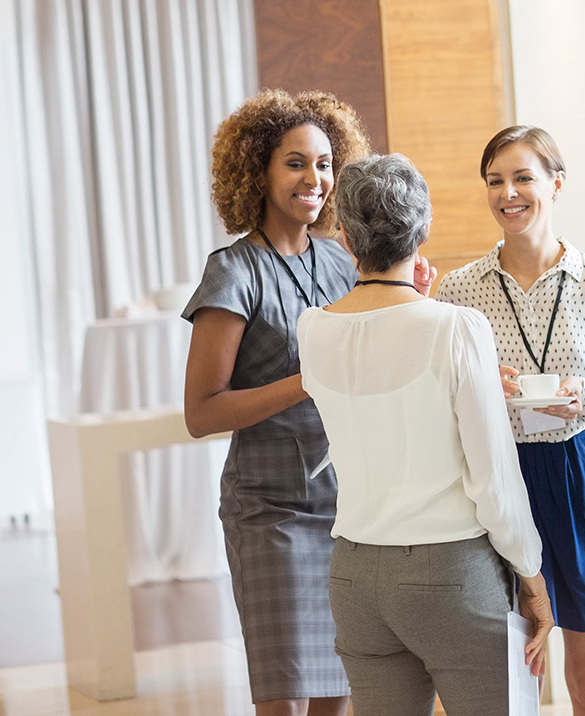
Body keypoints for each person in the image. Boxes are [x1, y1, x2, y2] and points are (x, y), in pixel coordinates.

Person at [296, 153, 555, 716]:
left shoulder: (313, 330)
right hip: (451, 574)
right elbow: (495, 480)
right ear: (425, 226)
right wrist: (532, 581)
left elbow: (380, 367)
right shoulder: (456, 328)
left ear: (343, 235)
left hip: (357, 576)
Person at [183, 89, 369, 716]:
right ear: (258, 170)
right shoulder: (233, 272)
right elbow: (202, 412)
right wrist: (304, 381)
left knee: (338, 691)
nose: (313, 178)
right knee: (284, 696)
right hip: (270, 512)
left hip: (346, 505)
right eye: (295, 163)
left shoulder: (344, 264)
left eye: (323, 163)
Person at [435, 125, 585, 716]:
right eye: (495, 181)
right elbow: (442, 395)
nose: (507, 193)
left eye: (523, 178)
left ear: (557, 184)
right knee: (511, 679)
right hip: (500, 478)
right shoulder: (459, 289)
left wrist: (581, 393)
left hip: (583, 474)